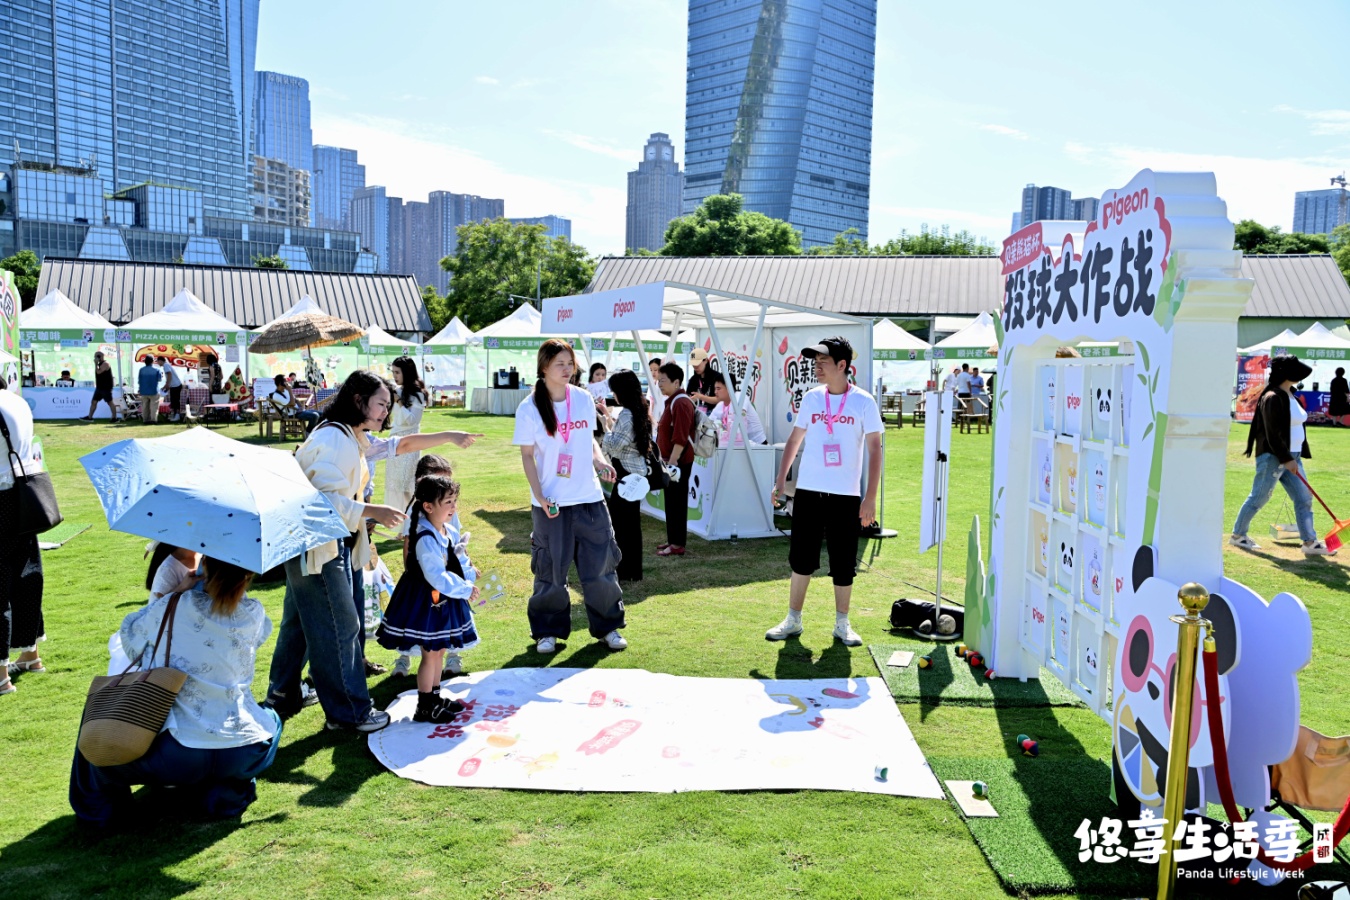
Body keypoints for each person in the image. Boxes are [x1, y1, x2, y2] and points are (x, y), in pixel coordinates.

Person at [69, 557, 283, 828]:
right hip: (242, 749)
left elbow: (131, 633)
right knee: (272, 719)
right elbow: (257, 636)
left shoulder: (175, 604)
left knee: (98, 738)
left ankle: (98, 812)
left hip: (178, 753)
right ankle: (226, 794)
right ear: (248, 576)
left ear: (205, 568)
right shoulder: (254, 612)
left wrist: (177, 591)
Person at [766, 336, 883, 647]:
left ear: (842, 365)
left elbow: (875, 449)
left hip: (845, 496)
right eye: (815, 362)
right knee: (801, 559)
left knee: (843, 562)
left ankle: (842, 624)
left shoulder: (863, 402)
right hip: (808, 492)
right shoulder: (812, 398)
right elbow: (794, 441)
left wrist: (870, 497)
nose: (816, 367)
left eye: (823, 362)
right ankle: (793, 619)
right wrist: (780, 481)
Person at [513, 339, 626, 654]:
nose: (567, 369)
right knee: (550, 571)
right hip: (551, 503)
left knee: (601, 568)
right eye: (559, 364)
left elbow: (589, 440)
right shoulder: (529, 408)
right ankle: (547, 631)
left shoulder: (583, 398)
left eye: (570, 363)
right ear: (544, 367)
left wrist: (600, 462)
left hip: (589, 498)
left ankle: (609, 627)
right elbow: (527, 457)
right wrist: (540, 496)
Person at [376, 475, 479, 723]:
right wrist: (464, 589)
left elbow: (455, 561)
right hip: (427, 602)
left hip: (441, 599)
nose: (453, 507)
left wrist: (469, 575)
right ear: (428, 506)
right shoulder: (425, 537)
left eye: (454, 501)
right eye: (448, 502)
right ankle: (424, 706)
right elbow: (437, 576)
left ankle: (434, 698)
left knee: (439, 649)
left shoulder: (446, 530)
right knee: (431, 652)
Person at [1231, 355, 1336, 556]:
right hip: (1274, 457)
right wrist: (1286, 459)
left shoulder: (1291, 395)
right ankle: (1238, 535)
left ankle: (1309, 542)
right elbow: (1272, 433)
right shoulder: (1272, 397)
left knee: (1304, 497)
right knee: (1259, 497)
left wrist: (1292, 458)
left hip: (1293, 457)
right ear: (1287, 373)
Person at [391, 454, 465, 679]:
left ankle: (452, 656)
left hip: (446, 579)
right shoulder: (416, 514)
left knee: (447, 619)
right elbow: (408, 545)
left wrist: (466, 569)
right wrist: (413, 576)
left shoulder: (449, 511)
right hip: (426, 582)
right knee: (420, 621)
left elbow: (456, 544)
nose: (444, 488)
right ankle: (404, 659)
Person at [0, 374, 46, 695]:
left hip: (4, 494)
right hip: (24, 495)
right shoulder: (17, 402)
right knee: (26, 575)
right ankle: (30, 654)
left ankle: (2, 674)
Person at [600, 370, 651, 582]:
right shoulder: (639, 409)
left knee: (621, 524)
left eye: (614, 391)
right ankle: (632, 570)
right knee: (630, 524)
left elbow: (615, 445)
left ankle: (624, 570)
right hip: (635, 474)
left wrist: (605, 428)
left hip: (626, 475)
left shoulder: (627, 414)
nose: (614, 395)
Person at [655, 361, 696, 557]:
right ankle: (673, 540)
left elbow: (680, 436)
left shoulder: (680, 402)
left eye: (663, 380)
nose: (659, 384)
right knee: (671, 502)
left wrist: (672, 462)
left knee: (677, 502)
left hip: (677, 462)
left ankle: (678, 543)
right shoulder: (673, 401)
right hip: (670, 461)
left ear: (676, 382)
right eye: (658, 380)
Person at [385, 356, 429, 514]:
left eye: (397, 372)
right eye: (393, 372)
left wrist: (399, 402)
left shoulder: (418, 395)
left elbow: (412, 420)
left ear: (407, 372)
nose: (394, 376)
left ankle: (409, 519)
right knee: (394, 483)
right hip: (394, 441)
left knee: (406, 484)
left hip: (410, 442)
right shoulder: (396, 392)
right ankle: (396, 519)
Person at [707, 370, 766, 445]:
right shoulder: (720, 405)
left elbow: (740, 419)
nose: (715, 392)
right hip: (738, 445)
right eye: (715, 389)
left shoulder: (740, 398)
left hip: (757, 444)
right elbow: (709, 422)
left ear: (729, 388)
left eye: (718, 389)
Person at [81, 351, 120, 422]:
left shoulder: (105, 364)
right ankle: (90, 417)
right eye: (96, 356)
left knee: (110, 402)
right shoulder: (99, 364)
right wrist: (96, 364)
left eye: (98, 356)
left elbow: (98, 372)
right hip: (99, 387)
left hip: (106, 387)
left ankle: (114, 418)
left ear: (102, 356)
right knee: (94, 401)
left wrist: (96, 364)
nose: (97, 358)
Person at [685, 348, 717, 412]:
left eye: (697, 364)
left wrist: (701, 397)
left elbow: (720, 399)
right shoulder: (692, 380)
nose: (695, 367)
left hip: (714, 415)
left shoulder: (716, 377)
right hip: (697, 414)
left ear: (706, 361)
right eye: (693, 365)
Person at [158, 356, 184, 423]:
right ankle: (175, 415)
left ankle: (177, 415)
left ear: (160, 360)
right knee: (173, 401)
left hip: (176, 385)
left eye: (158, 361)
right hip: (174, 385)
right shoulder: (167, 365)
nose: (157, 363)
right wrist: (165, 386)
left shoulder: (166, 365)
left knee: (175, 401)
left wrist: (167, 384)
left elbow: (169, 374)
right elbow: (169, 377)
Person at [137, 357, 162, 423]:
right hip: (154, 390)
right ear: (152, 361)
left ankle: (145, 420)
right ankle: (153, 419)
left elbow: (139, 381)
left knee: (145, 406)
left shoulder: (141, 370)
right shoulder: (157, 370)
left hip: (144, 391)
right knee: (154, 406)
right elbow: (159, 379)